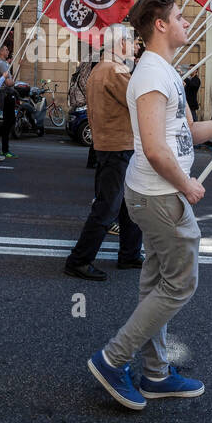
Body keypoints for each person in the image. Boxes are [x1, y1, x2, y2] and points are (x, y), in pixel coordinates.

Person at [86, 0, 212, 411]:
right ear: (160, 25)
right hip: (161, 196)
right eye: (179, 17)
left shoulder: (164, 71)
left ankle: (156, 374)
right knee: (180, 284)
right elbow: (154, 148)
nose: (186, 22)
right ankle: (113, 359)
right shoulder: (149, 75)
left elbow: (187, 134)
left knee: (155, 284)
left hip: (159, 194)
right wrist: (188, 184)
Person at [64, 25, 145, 281]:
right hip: (118, 147)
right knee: (108, 207)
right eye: (132, 43)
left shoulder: (102, 68)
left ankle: (130, 254)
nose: (136, 47)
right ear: (121, 43)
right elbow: (139, 99)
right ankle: (79, 261)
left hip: (112, 146)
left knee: (128, 204)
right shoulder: (115, 69)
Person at [0, 45, 16, 160]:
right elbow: (8, 83)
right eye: (6, 49)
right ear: (1, 51)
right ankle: (4, 149)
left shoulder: (5, 64)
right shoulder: (2, 64)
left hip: (8, 94)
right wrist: (13, 82)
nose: (8, 51)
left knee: (9, 121)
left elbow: (11, 80)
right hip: (6, 94)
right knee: (8, 121)